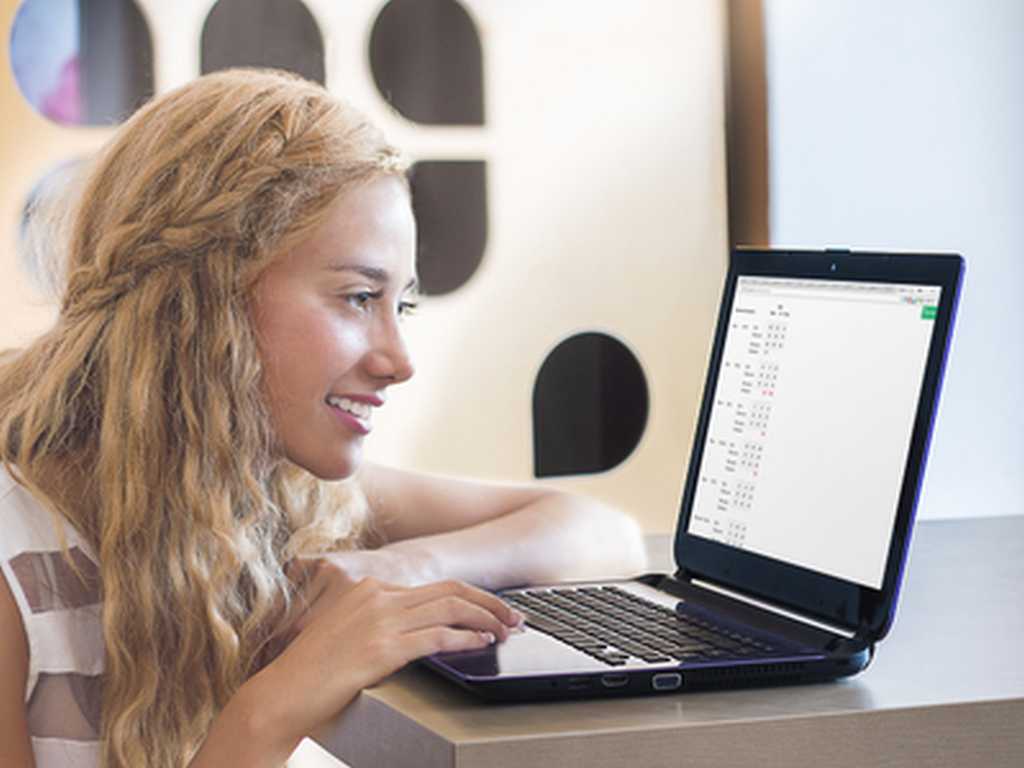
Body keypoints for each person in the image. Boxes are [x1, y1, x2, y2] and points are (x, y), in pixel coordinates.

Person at [0, 69, 646, 768]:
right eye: (358, 297)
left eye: (402, 306)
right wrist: (274, 706)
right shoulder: (15, 555)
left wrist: (402, 567)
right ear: (205, 301)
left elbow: (603, 533)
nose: (399, 361)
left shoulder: (267, 491)